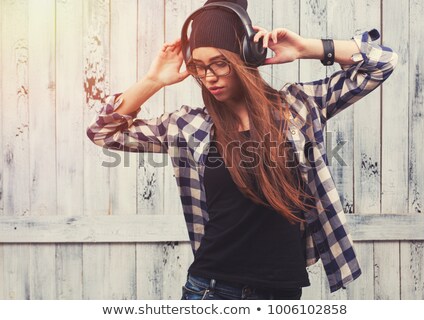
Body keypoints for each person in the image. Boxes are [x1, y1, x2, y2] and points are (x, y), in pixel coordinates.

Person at [86, 0, 398, 300]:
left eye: (219, 63)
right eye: (199, 67)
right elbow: (104, 133)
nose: (208, 77)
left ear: (245, 58)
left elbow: (382, 62)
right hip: (212, 291)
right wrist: (154, 80)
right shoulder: (188, 126)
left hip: (284, 293)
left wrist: (307, 48)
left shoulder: (299, 107)